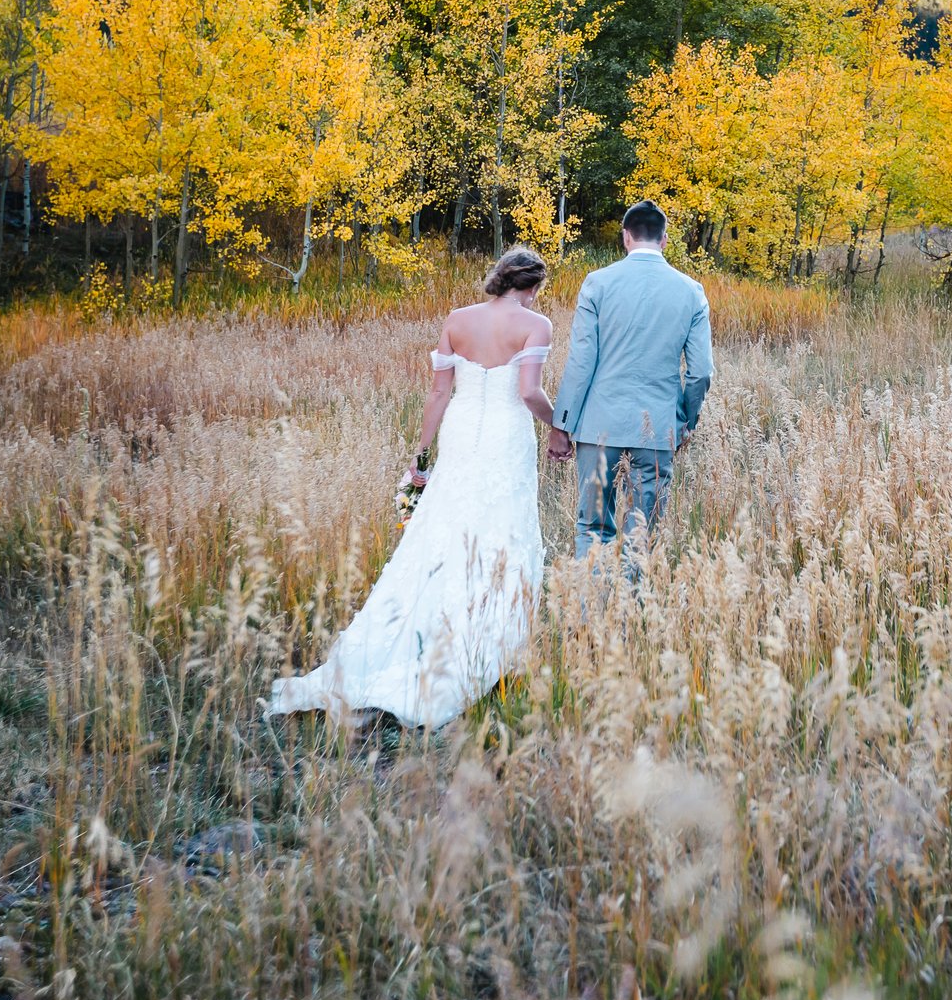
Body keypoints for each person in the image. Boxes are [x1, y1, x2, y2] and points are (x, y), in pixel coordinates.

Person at [267, 247, 555, 729]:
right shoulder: (535, 324)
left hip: (460, 431)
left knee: (440, 526)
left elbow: (439, 392)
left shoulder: (458, 319)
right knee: (502, 526)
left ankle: (404, 640)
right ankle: (487, 648)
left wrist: (421, 457)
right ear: (532, 286)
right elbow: (528, 392)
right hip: (507, 436)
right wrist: (560, 426)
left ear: (499, 278)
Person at [547, 200, 713, 566]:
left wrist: (562, 425)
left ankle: (589, 615)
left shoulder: (597, 283)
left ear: (626, 237)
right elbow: (701, 372)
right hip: (656, 429)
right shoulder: (691, 291)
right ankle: (632, 617)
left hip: (597, 425)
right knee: (643, 532)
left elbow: (580, 363)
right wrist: (684, 421)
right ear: (665, 239)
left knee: (592, 527)